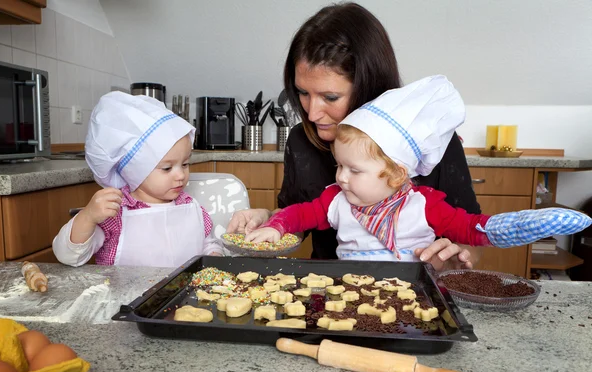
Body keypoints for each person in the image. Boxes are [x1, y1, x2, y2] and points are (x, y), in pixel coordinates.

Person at [227, 2, 481, 270]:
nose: (312, 114)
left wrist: (458, 258)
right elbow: (302, 216)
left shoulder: (431, 140)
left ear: (368, 85)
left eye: (330, 97)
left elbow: (472, 239)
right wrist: (268, 219)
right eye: (303, 93)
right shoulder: (303, 140)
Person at [245, 76, 591, 260]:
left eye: (354, 170)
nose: (340, 177)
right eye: (339, 165)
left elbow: (472, 228)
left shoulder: (424, 205)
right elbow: (298, 215)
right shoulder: (336, 200)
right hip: (345, 293)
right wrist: (276, 226)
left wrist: (522, 225)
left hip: (413, 297)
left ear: (396, 174)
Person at [53, 91, 223, 268]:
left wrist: (213, 253)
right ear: (134, 172)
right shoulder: (115, 213)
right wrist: (88, 217)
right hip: (126, 295)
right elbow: (69, 256)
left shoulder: (191, 206)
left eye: (185, 164)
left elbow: (207, 243)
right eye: (167, 168)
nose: (180, 175)